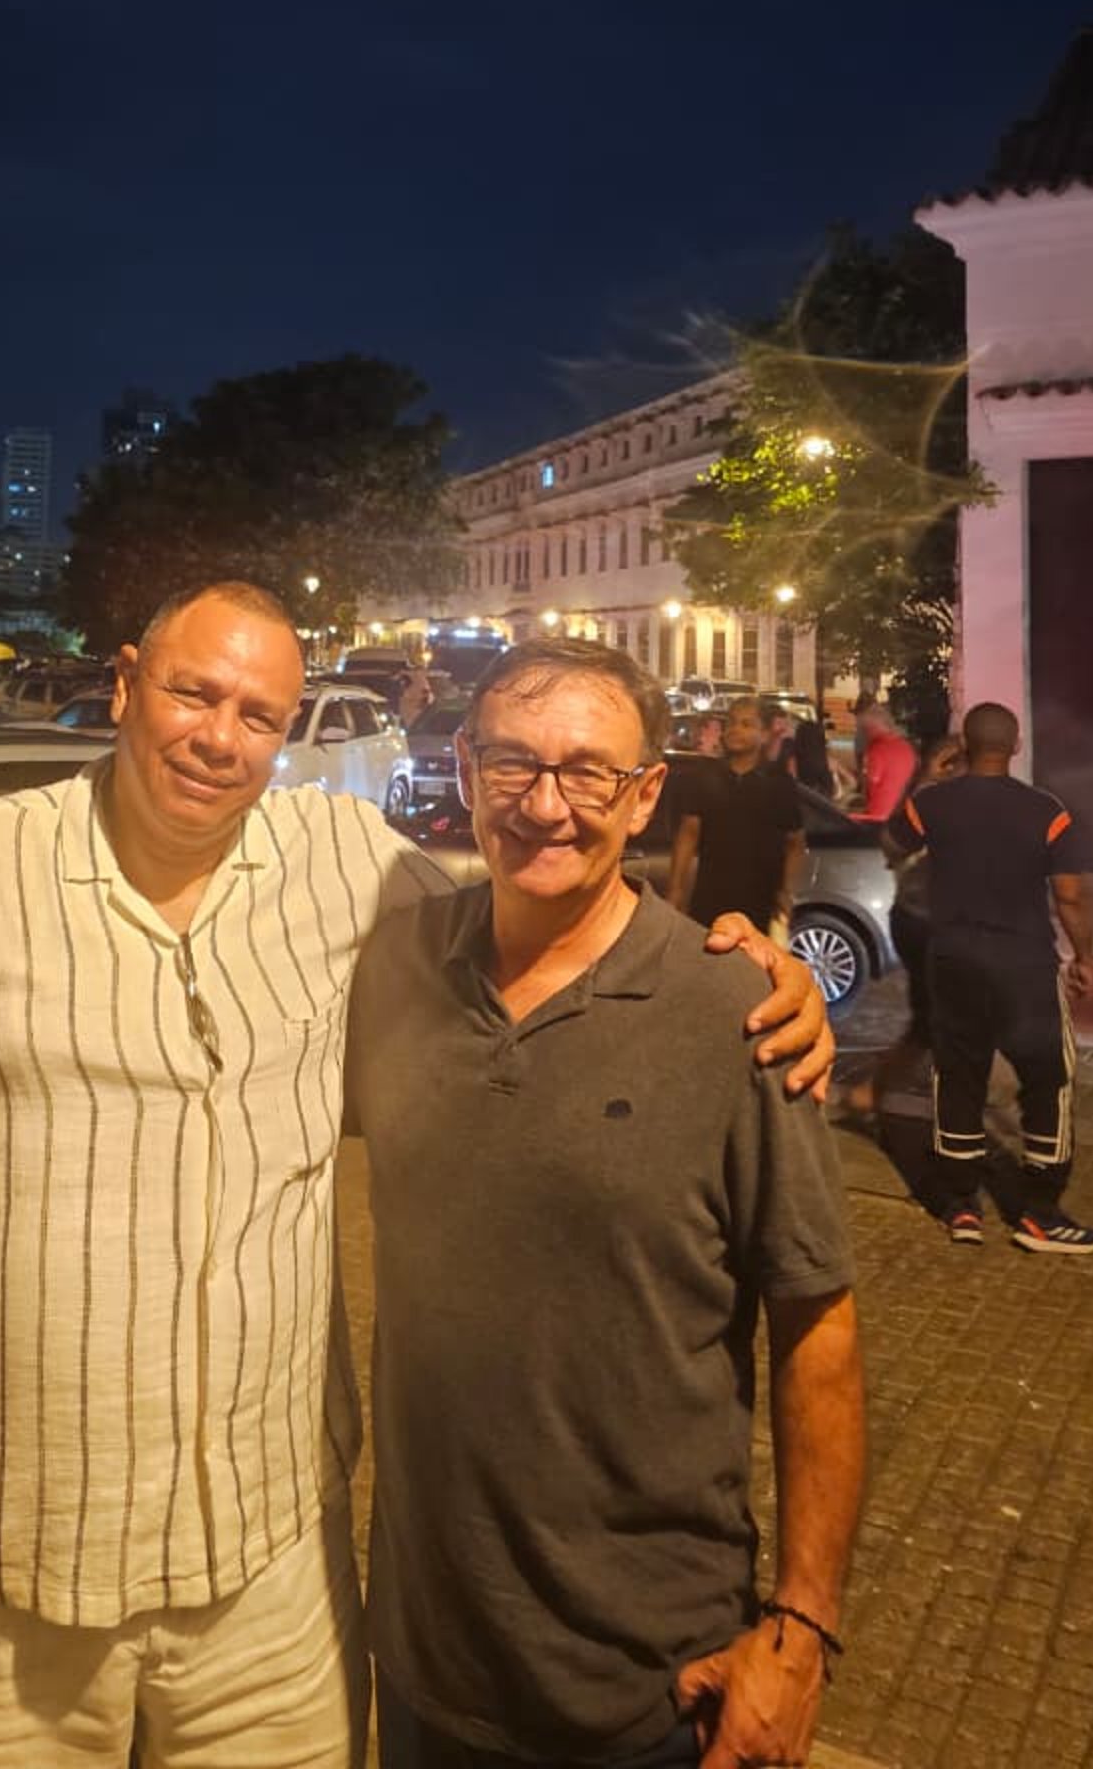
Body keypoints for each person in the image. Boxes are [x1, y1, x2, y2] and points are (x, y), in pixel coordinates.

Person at [0, 582, 833, 1768]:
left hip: (265, 1584)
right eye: (192, 693)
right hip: (5, 1573)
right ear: (125, 685)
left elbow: (548, 915)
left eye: (259, 714)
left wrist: (747, 969)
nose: (221, 737)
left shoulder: (343, 868)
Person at [348, 639, 865, 1768]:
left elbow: (817, 1327)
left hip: (653, 1686)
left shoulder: (735, 1012)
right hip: (427, 1661)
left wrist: (804, 1625)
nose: (545, 806)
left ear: (644, 796)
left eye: (588, 772)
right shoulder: (395, 966)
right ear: (467, 769)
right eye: (512, 763)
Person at [888, 700, 1093, 1253]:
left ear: (963, 745)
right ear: (1016, 746)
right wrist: (1085, 957)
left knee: (959, 1075)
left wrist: (927, 777)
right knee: (1048, 1078)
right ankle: (1041, 1212)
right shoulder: (1047, 811)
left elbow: (894, 843)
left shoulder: (934, 803)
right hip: (1025, 968)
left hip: (954, 962)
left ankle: (962, 1206)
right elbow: (1070, 897)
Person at [835, 729, 965, 1125]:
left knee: (931, 1024)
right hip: (928, 923)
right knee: (942, 1023)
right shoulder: (936, 800)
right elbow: (893, 844)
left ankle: (871, 1094)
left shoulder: (938, 797)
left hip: (925, 921)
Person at [668, 695, 805, 945]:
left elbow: (795, 842)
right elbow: (688, 834)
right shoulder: (705, 777)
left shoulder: (779, 784)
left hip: (759, 903)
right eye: (731, 722)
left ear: (765, 734)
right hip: (710, 900)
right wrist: (675, 891)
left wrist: (786, 892)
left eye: (746, 724)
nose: (735, 730)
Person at [850, 700, 917, 824]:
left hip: (877, 818)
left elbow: (870, 782)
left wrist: (845, 773)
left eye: (864, 730)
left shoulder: (877, 749)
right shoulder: (907, 747)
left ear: (873, 727)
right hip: (901, 816)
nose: (863, 735)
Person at [762, 697, 834, 798]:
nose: (783, 728)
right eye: (779, 723)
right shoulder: (760, 745)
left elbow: (792, 773)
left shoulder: (789, 745)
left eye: (785, 723)